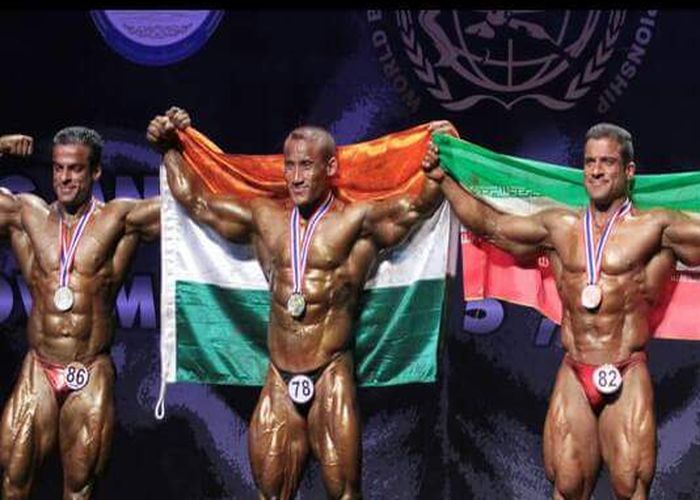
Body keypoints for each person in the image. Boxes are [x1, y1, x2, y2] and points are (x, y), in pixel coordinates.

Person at [147, 106, 456, 500]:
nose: (295, 176)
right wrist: (171, 150)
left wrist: (442, 158)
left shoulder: (355, 222)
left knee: (345, 494)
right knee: (270, 494)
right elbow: (198, 203)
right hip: (278, 377)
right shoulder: (265, 219)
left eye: (306, 166)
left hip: (330, 374)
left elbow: (415, 208)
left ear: (330, 167)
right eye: (289, 166)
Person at [425, 123, 700, 499]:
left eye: (607, 162)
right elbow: (491, 227)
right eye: (589, 162)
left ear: (629, 171)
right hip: (574, 369)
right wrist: (445, 178)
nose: (596, 171)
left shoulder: (657, 228)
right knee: (567, 485)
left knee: (631, 484)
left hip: (627, 367)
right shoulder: (559, 227)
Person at [0, 127, 160, 499]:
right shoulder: (26, 215)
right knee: (13, 480)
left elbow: (191, 208)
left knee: (79, 488)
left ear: (95, 172)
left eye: (75, 169)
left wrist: (177, 149)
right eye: (58, 168)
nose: (64, 178)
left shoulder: (119, 219)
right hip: (39, 368)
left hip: (89, 369)